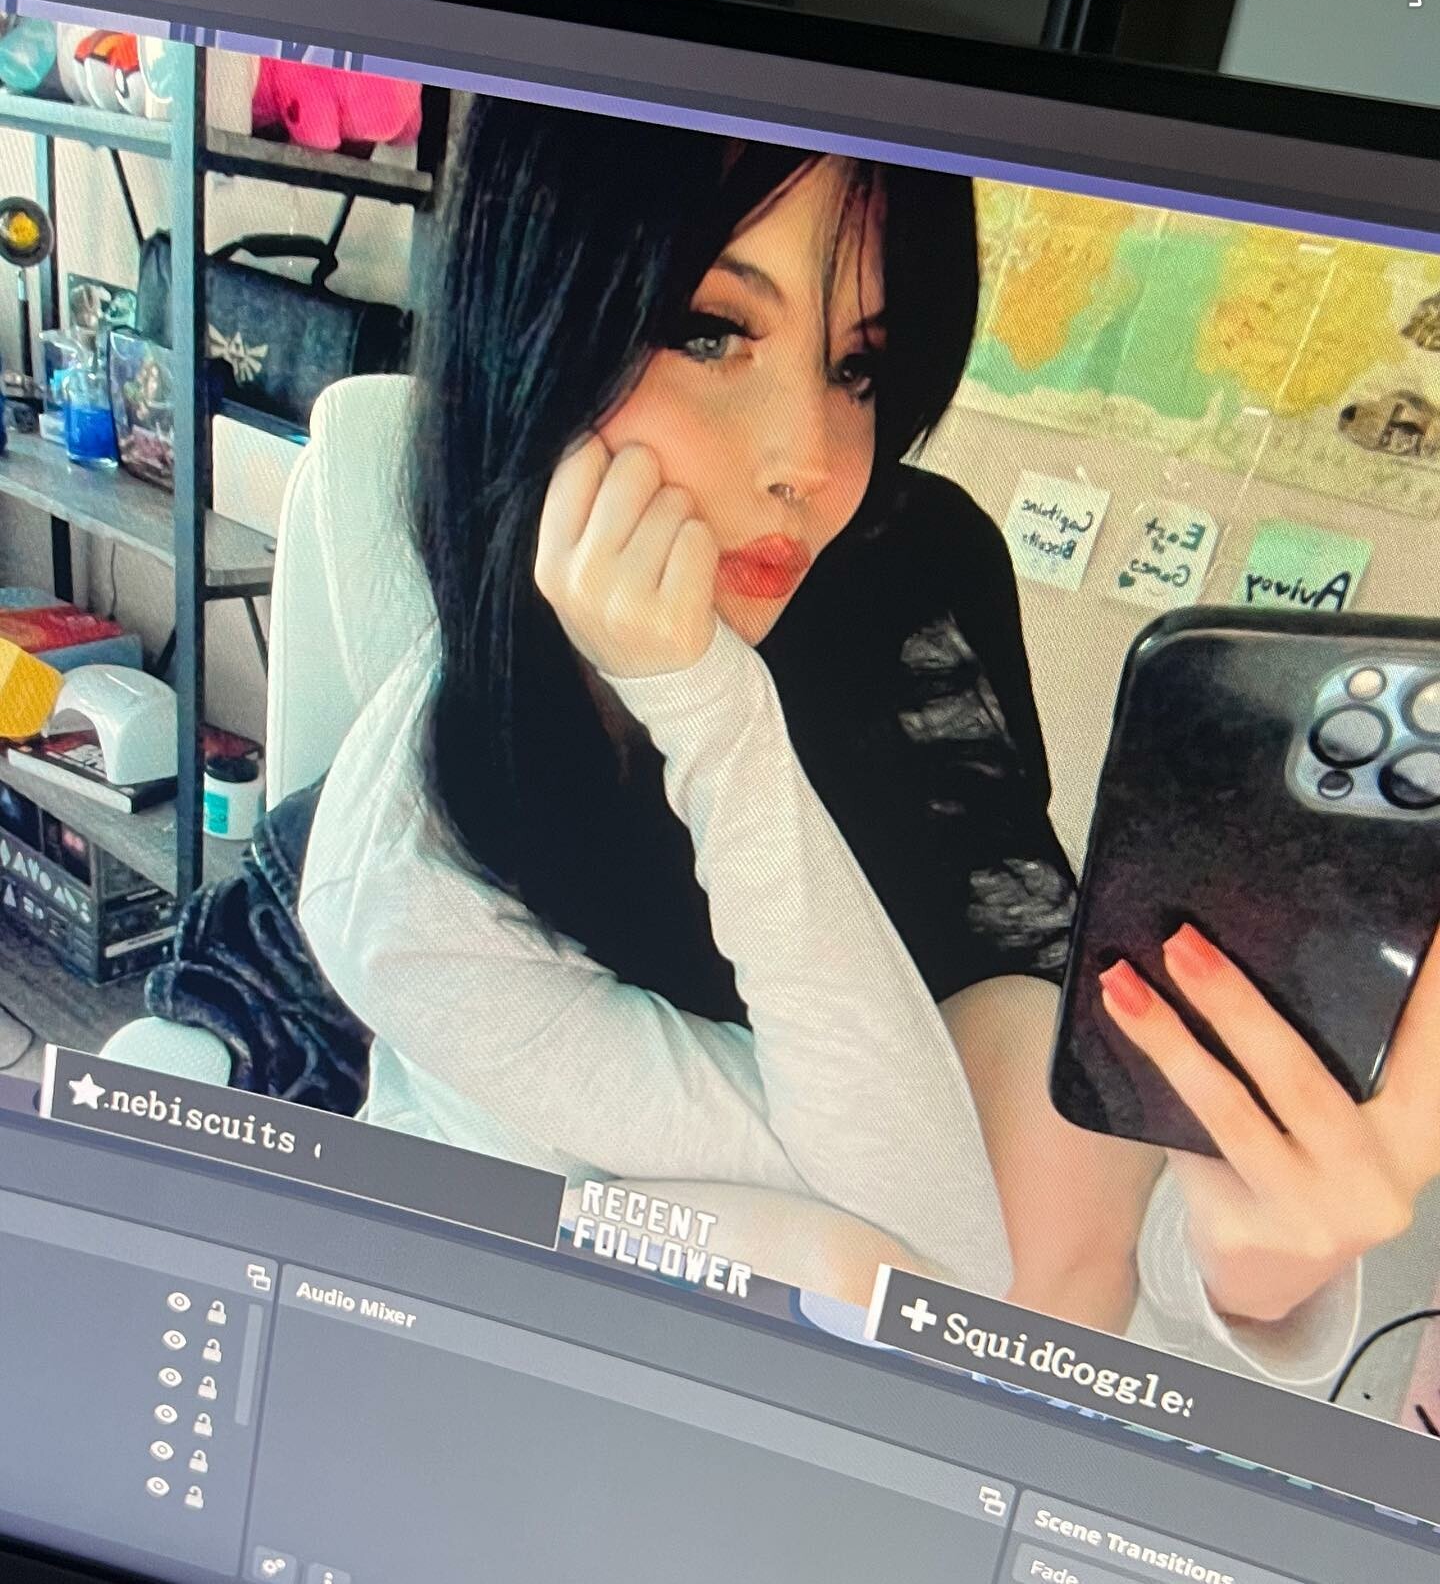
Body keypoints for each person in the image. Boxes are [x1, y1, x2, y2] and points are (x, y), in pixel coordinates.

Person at [298, 96, 1440, 1389]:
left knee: (1024, 1030)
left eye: (857, 366)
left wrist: (1252, 1259)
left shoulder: (908, 566)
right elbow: (922, 1225)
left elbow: (1032, 1086)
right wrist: (711, 712)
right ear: (529, 326)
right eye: (709, 329)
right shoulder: (404, 882)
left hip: (876, 1228)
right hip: (536, 1309)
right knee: (839, 1268)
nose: (811, 461)